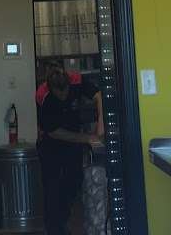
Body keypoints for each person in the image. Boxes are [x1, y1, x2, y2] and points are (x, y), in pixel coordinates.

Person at [38, 68, 103, 235]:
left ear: (69, 85)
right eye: (59, 94)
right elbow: (54, 131)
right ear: (51, 89)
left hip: (72, 142)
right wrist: (87, 138)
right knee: (52, 188)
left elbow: (99, 96)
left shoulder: (76, 81)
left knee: (74, 180)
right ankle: (54, 229)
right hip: (51, 144)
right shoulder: (43, 96)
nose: (63, 97)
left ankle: (64, 219)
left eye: (65, 92)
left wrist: (101, 124)